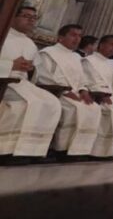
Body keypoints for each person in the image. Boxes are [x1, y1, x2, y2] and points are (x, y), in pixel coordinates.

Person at [0, 5, 61, 161]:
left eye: (34, 18)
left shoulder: (30, 43)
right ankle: (6, 150)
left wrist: (32, 68)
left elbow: (37, 72)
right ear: (14, 17)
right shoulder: (3, 35)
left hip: (23, 83)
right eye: (26, 16)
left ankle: (31, 150)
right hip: (5, 81)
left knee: (52, 102)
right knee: (27, 104)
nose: (31, 20)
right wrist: (10, 65)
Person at [34, 24, 102, 157]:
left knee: (94, 108)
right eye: (73, 35)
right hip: (55, 92)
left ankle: (79, 150)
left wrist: (83, 91)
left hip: (76, 94)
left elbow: (82, 79)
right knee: (74, 109)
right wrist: (65, 92)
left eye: (79, 36)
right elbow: (43, 76)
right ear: (60, 37)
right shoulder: (48, 53)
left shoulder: (76, 57)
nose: (77, 39)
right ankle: (60, 149)